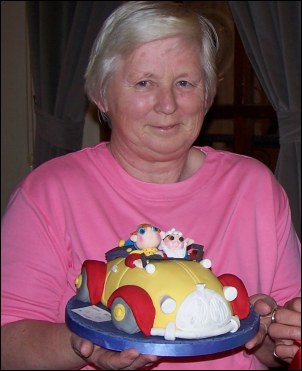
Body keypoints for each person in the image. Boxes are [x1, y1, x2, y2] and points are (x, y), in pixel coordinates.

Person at [1, 1, 301, 370]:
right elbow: (7, 342)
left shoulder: (256, 188)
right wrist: (86, 344)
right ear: (101, 94)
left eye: (185, 83)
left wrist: (277, 333)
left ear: (207, 95)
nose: (168, 104)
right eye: (145, 82)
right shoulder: (49, 192)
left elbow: (276, 344)